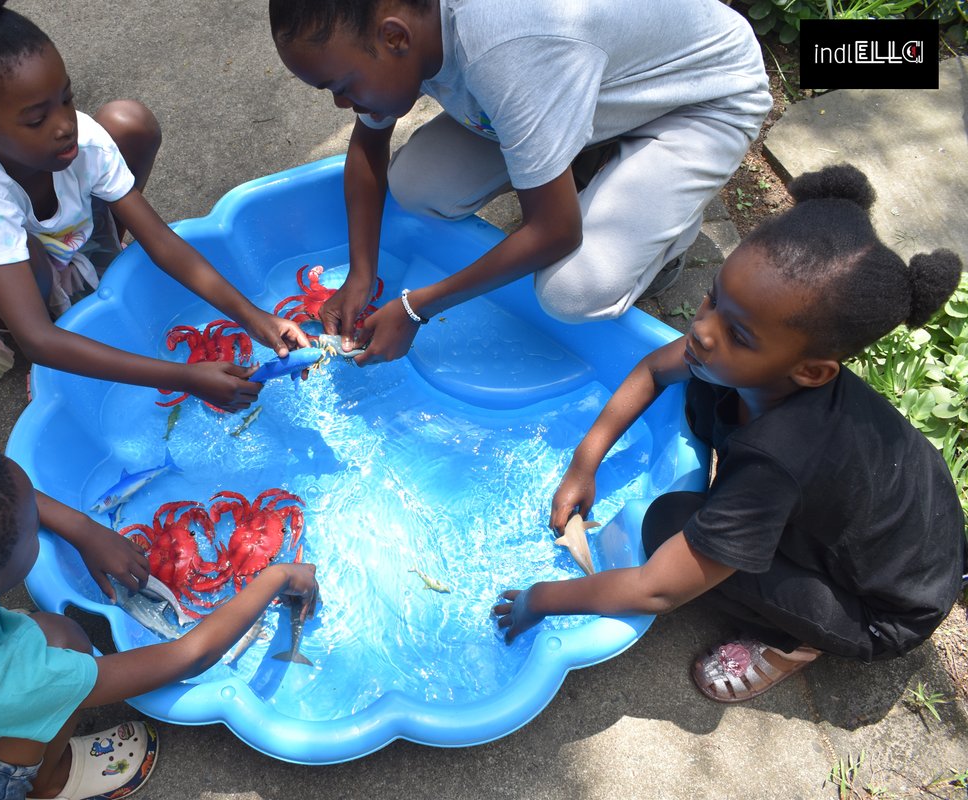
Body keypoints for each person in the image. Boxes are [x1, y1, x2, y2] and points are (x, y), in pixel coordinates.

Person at [493, 165, 965, 703]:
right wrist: (585, 461)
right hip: (904, 517)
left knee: (668, 525)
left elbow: (658, 590)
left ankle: (790, 642)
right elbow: (653, 369)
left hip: (880, 607)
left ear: (811, 371)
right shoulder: (744, 363)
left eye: (738, 333)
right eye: (714, 297)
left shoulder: (777, 462)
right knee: (700, 385)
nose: (702, 329)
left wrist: (540, 599)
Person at [269, 0, 772, 364]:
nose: (340, 104)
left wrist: (416, 307)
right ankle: (582, 152)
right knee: (417, 185)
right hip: (577, 87)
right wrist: (361, 272)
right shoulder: (401, 28)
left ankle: (671, 230)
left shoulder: (507, 48)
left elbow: (555, 231)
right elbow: (368, 147)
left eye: (340, 87)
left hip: (698, 98)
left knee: (573, 292)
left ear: (396, 37)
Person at [0, 445, 319, 799]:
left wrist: (83, 528)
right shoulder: (10, 678)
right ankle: (48, 784)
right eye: (34, 523)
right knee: (66, 644)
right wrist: (274, 578)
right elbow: (189, 655)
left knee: (47, 637)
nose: (40, 517)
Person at [0, 0, 306, 408]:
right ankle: (46, 338)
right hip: (9, 263)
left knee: (127, 121)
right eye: (35, 120)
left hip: (66, 234)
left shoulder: (81, 139)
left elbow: (161, 243)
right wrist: (185, 377)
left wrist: (254, 317)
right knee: (29, 262)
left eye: (65, 98)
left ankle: (94, 264)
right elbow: (38, 338)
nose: (65, 125)